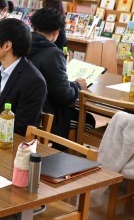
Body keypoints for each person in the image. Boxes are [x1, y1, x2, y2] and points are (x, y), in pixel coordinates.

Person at [0, 18, 47, 136]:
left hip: (9, 140)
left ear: (7, 46)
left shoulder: (34, 81)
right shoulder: (0, 68)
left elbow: (21, 128)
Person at [28, 8, 89, 139]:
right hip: (45, 116)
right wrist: (78, 85)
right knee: (88, 122)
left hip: (28, 109)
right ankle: (67, 150)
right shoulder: (53, 53)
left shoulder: (24, 44)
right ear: (56, 32)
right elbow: (64, 95)